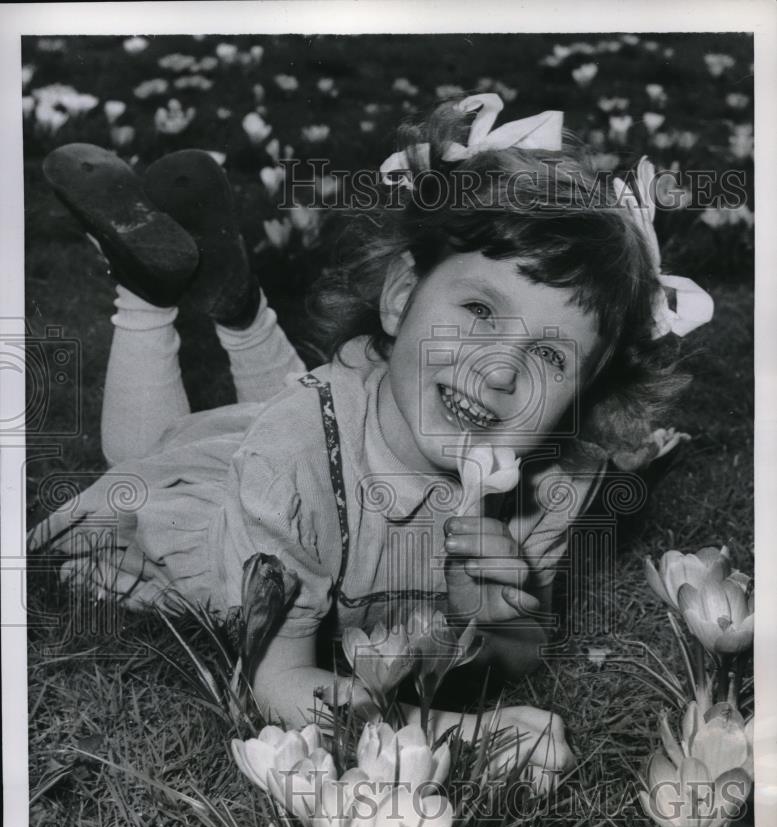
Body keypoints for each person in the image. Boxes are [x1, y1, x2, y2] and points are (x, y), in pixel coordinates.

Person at [29, 93, 713, 751]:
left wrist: (498, 616)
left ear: (583, 392)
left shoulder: (553, 485)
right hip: (231, 519)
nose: (502, 371)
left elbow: (514, 656)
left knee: (302, 426)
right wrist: (458, 736)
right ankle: (145, 293)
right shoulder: (293, 454)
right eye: (478, 311)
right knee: (152, 463)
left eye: (548, 355)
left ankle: (242, 310)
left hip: (334, 439)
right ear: (400, 298)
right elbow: (277, 682)